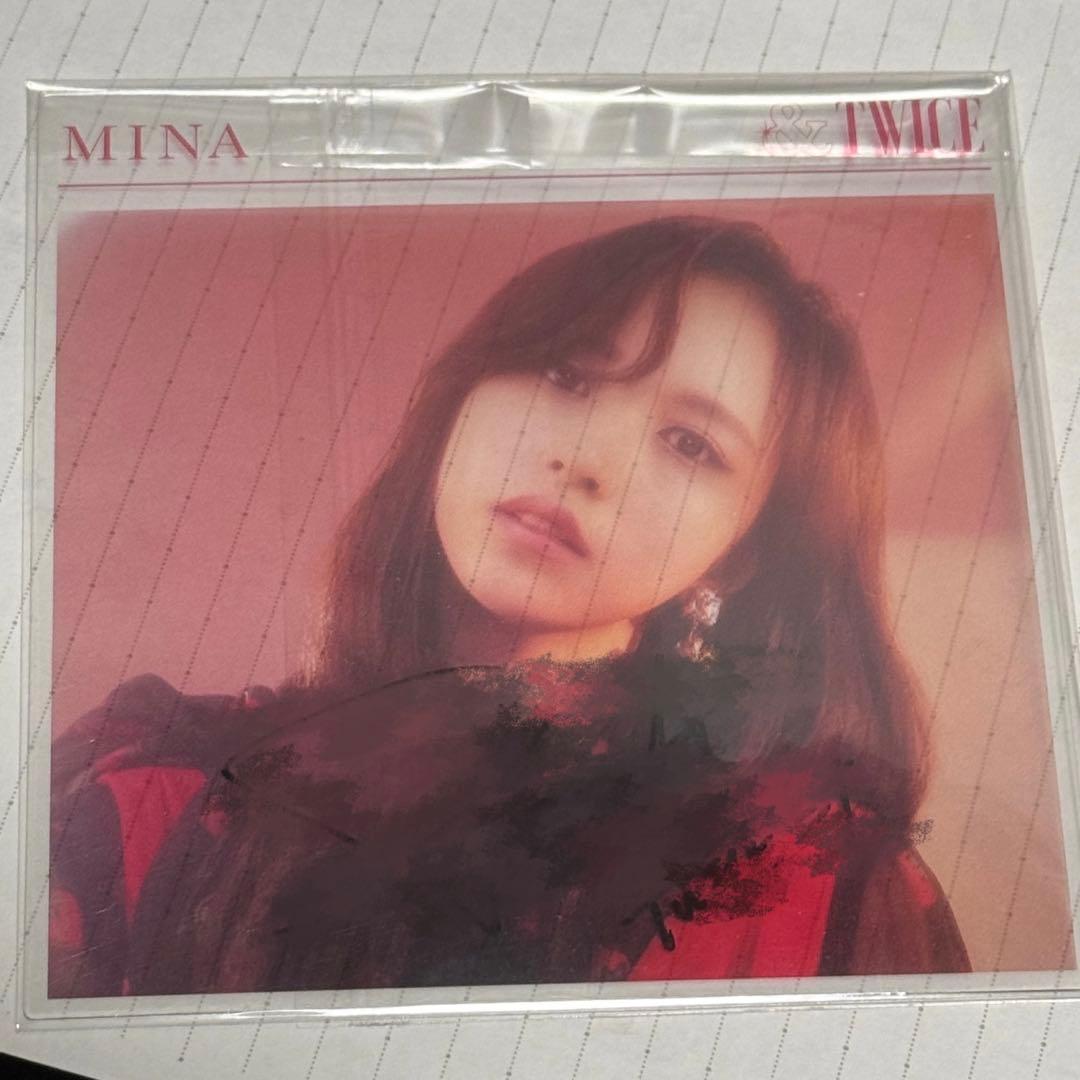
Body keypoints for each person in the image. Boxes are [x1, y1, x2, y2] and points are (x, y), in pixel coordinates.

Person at [48, 216, 970, 998]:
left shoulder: (819, 886)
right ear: (461, 398)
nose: (586, 460)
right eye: (566, 375)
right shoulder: (154, 793)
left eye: (691, 444)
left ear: (746, 551)